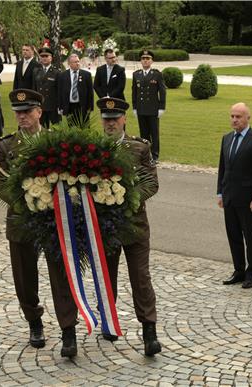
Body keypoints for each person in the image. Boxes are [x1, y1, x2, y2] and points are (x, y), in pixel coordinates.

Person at [0, 89, 78, 358]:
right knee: (24, 276)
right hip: (21, 218)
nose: (22, 117)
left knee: (61, 274)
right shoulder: (6, 145)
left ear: (39, 112)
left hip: (54, 220)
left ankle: (68, 330)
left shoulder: (55, 140)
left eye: (27, 112)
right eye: (18, 113)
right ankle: (34, 321)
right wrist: (28, 204)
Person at [96, 96, 162, 357]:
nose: (110, 123)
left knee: (141, 278)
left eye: (114, 119)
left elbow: (151, 184)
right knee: (107, 277)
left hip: (134, 224)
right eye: (106, 119)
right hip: (106, 226)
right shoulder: (93, 148)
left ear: (124, 119)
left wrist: (126, 198)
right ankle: (108, 321)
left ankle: (149, 331)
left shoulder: (139, 148)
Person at [217, 103, 252, 289]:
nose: (234, 120)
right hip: (229, 196)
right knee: (233, 235)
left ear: (248, 118)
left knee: (250, 237)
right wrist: (220, 192)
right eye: (232, 116)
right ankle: (238, 270)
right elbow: (223, 168)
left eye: (238, 116)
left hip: (248, 200)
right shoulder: (227, 138)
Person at [132, 50, 166, 162]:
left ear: (152, 60)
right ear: (140, 60)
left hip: (153, 109)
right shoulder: (136, 74)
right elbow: (134, 92)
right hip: (141, 109)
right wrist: (134, 107)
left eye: (148, 58)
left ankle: (155, 155)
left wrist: (161, 107)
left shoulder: (157, 74)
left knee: (154, 133)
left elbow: (162, 91)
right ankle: (145, 154)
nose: (145, 60)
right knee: (143, 133)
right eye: (143, 58)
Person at [58, 54, 93, 127]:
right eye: (75, 62)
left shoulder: (86, 75)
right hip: (69, 107)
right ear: (69, 64)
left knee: (84, 128)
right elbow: (60, 92)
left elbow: (90, 93)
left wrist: (90, 107)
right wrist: (61, 107)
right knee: (71, 128)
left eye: (78, 61)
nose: (77, 63)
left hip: (82, 106)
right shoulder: (63, 75)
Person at [32, 47, 61, 128]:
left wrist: (60, 106)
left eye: (46, 56)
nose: (44, 58)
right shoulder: (36, 71)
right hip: (40, 106)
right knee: (42, 130)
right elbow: (34, 89)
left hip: (53, 106)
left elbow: (60, 91)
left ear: (51, 58)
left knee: (57, 129)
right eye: (42, 56)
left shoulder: (57, 72)